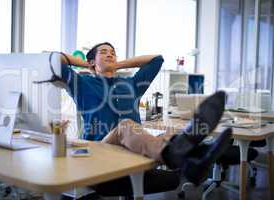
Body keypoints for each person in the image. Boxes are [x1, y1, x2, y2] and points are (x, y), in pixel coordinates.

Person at [44, 42, 232, 197]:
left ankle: (195, 157)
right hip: (99, 153)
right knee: (126, 126)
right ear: (92, 61)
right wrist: (87, 65)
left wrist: (117, 64)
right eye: (104, 52)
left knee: (169, 130)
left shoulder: (131, 84)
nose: (110, 55)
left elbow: (156, 60)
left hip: (131, 155)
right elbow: (53, 59)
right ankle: (187, 156)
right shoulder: (82, 83)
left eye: (113, 53)